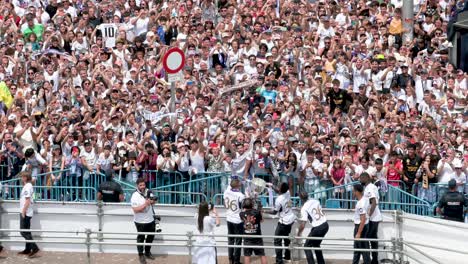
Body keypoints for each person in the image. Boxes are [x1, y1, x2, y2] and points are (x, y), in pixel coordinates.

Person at [266, 182, 296, 264]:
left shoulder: (279, 199)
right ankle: (287, 257)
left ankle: (279, 261)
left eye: (279, 187)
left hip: (284, 222)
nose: (278, 187)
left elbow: (274, 212)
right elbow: (279, 190)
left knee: (277, 241)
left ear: (281, 190)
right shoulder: (288, 192)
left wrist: (264, 211)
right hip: (290, 220)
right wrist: (272, 186)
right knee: (286, 239)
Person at [297, 191, 329, 264]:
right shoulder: (315, 200)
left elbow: (302, 225)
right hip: (325, 225)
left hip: (318, 227)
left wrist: (298, 233)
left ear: (301, 198)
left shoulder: (304, 208)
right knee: (316, 245)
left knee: (306, 246)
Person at [131, 178, 157, 264]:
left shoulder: (149, 191)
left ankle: (147, 252)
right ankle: (141, 255)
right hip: (140, 221)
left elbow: (154, 202)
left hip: (151, 220)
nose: (143, 187)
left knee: (151, 237)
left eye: (144, 185)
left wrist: (152, 201)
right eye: (140, 185)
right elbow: (135, 210)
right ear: (137, 186)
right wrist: (146, 204)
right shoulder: (134, 195)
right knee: (141, 238)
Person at [360, 172, 382, 264]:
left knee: (368, 238)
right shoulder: (369, 187)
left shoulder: (370, 188)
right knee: (372, 238)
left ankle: (371, 260)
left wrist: (368, 215)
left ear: (365, 178)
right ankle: (373, 260)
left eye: (360, 178)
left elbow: (373, 202)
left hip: (373, 218)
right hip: (373, 217)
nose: (360, 180)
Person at [223, 178, 245, 264]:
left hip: (229, 218)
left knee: (231, 240)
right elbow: (243, 207)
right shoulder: (240, 195)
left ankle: (230, 259)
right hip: (237, 220)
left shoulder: (226, 191)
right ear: (238, 186)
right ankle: (236, 261)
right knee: (238, 241)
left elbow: (230, 186)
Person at [18, 171, 40, 258]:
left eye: (22, 176)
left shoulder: (27, 186)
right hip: (27, 211)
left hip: (26, 212)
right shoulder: (28, 186)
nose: (21, 178)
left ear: (25, 177)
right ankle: (27, 249)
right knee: (27, 232)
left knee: (23, 232)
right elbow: (32, 198)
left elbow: (27, 200)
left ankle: (34, 248)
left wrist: (23, 211)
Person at [240, 198, 267, 264]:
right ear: (252, 205)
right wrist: (259, 211)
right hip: (257, 238)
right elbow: (262, 220)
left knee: (247, 256)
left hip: (247, 238)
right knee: (262, 255)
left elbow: (242, 220)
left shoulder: (241, 214)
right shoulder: (257, 212)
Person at [352, 184, 370, 264]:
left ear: (357, 192)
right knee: (361, 248)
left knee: (360, 249)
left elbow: (363, 219)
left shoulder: (360, 204)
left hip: (360, 227)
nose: (352, 192)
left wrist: (358, 233)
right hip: (365, 226)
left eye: (353, 191)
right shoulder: (365, 199)